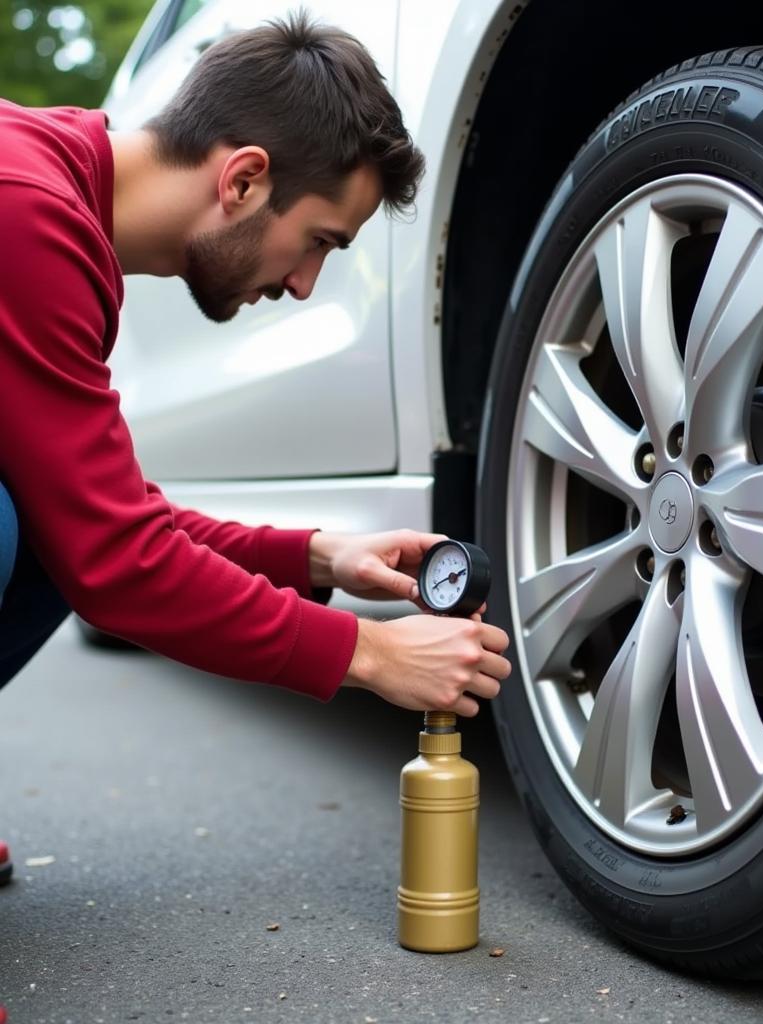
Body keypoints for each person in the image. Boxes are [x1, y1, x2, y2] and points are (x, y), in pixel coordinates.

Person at [0, 12, 512, 886]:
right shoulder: (26, 214)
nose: (306, 283)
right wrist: (373, 654)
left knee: (39, 514)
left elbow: (99, 515)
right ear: (242, 179)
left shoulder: (53, 193)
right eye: (319, 241)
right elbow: (119, 566)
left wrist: (317, 558)